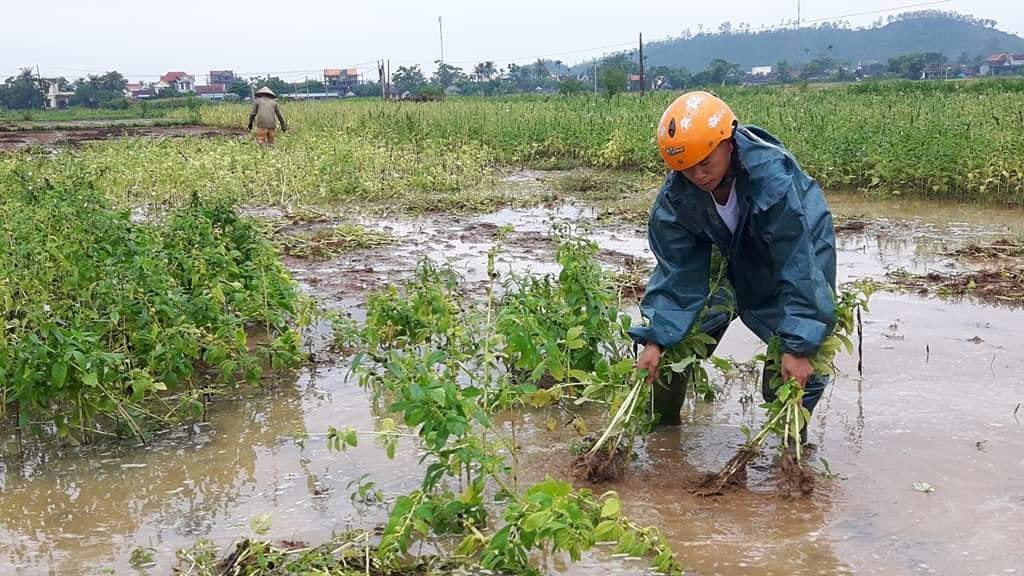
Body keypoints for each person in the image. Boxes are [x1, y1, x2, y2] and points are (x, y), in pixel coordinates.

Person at [629, 91, 837, 437]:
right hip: (724, 261)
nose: (698, 175)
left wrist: (800, 344)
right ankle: (664, 442)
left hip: (788, 262)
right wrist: (656, 339)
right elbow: (677, 271)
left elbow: (799, 260)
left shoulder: (773, 180)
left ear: (728, 141)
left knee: (792, 368)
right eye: (686, 168)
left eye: (705, 162)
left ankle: (789, 458)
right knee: (671, 352)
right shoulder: (678, 198)